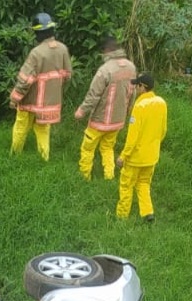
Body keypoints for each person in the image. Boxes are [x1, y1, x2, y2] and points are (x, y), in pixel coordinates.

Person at [9, 13, 72, 162]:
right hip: (48, 104)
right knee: (43, 131)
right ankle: (44, 159)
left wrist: (14, 98)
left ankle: (14, 157)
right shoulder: (62, 49)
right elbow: (67, 75)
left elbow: (25, 80)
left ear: (38, 33)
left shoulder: (36, 53)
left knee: (20, 128)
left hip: (29, 101)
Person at [74, 36, 136, 181]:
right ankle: (109, 176)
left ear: (106, 51)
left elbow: (94, 94)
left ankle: (84, 177)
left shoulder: (105, 70)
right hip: (117, 121)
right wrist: (127, 112)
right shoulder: (131, 67)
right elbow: (132, 93)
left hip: (99, 121)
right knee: (108, 148)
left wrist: (81, 111)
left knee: (88, 148)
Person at [115, 72, 167, 223]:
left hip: (135, 158)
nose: (136, 88)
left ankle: (121, 216)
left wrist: (123, 156)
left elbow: (133, 137)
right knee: (144, 184)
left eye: (137, 85)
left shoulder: (139, 106)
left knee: (126, 186)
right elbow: (163, 131)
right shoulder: (161, 103)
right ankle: (147, 212)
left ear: (143, 87)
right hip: (151, 156)